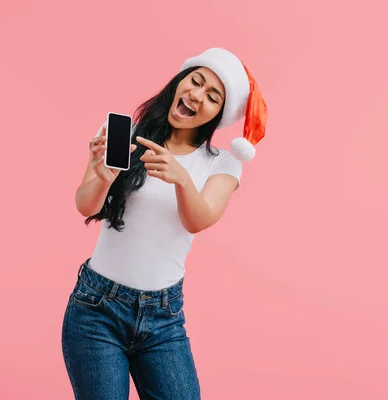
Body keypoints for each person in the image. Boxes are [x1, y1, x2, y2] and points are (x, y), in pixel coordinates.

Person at [61, 47, 267, 400]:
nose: (197, 95)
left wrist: (182, 179)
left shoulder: (223, 164)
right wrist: (103, 177)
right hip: (96, 309)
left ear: (218, 113)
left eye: (212, 96)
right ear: (180, 81)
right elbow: (85, 204)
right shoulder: (123, 134)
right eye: (196, 81)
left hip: (163, 318)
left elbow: (199, 220)